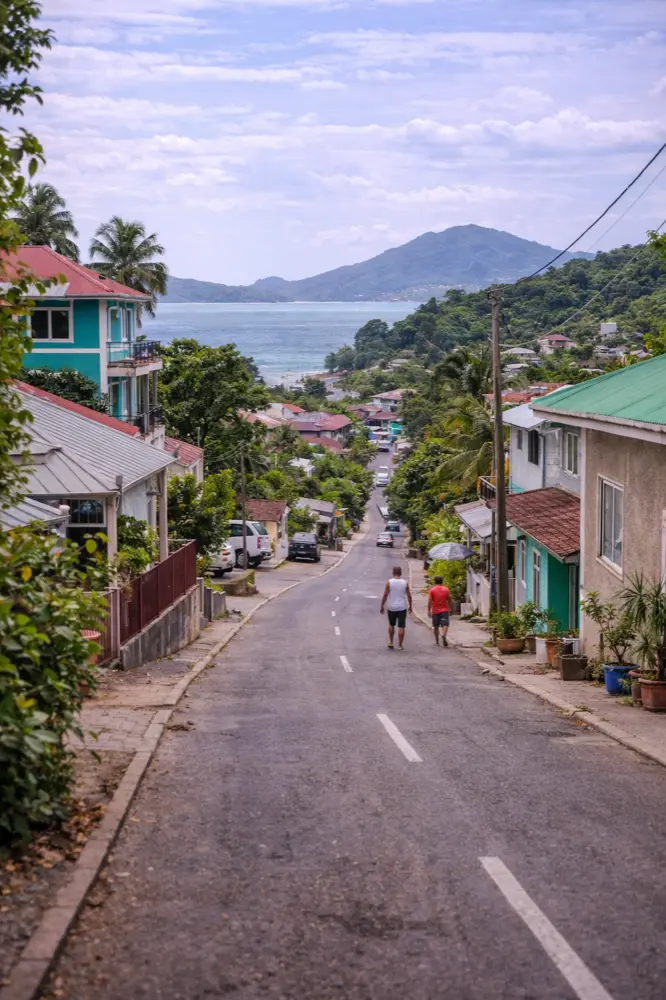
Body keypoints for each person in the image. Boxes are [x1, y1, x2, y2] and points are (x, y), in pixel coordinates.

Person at [380, 565, 413, 650]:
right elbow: (409, 596)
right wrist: (410, 606)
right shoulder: (405, 583)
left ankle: (391, 642)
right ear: (401, 573)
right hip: (402, 607)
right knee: (401, 626)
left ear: (393, 573)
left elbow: (385, 594)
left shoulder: (389, 582)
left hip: (391, 607)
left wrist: (382, 605)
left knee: (391, 624)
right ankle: (400, 644)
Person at [427, 575, 451, 646]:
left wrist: (428, 610)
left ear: (435, 581)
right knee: (445, 624)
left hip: (435, 611)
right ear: (442, 581)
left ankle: (437, 641)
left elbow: (430, 601)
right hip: (444, 610)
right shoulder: (446, 589)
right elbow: (449, 599)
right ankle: (444, 634)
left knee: (436, 626)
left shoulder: (432, 590)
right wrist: (451, 608)